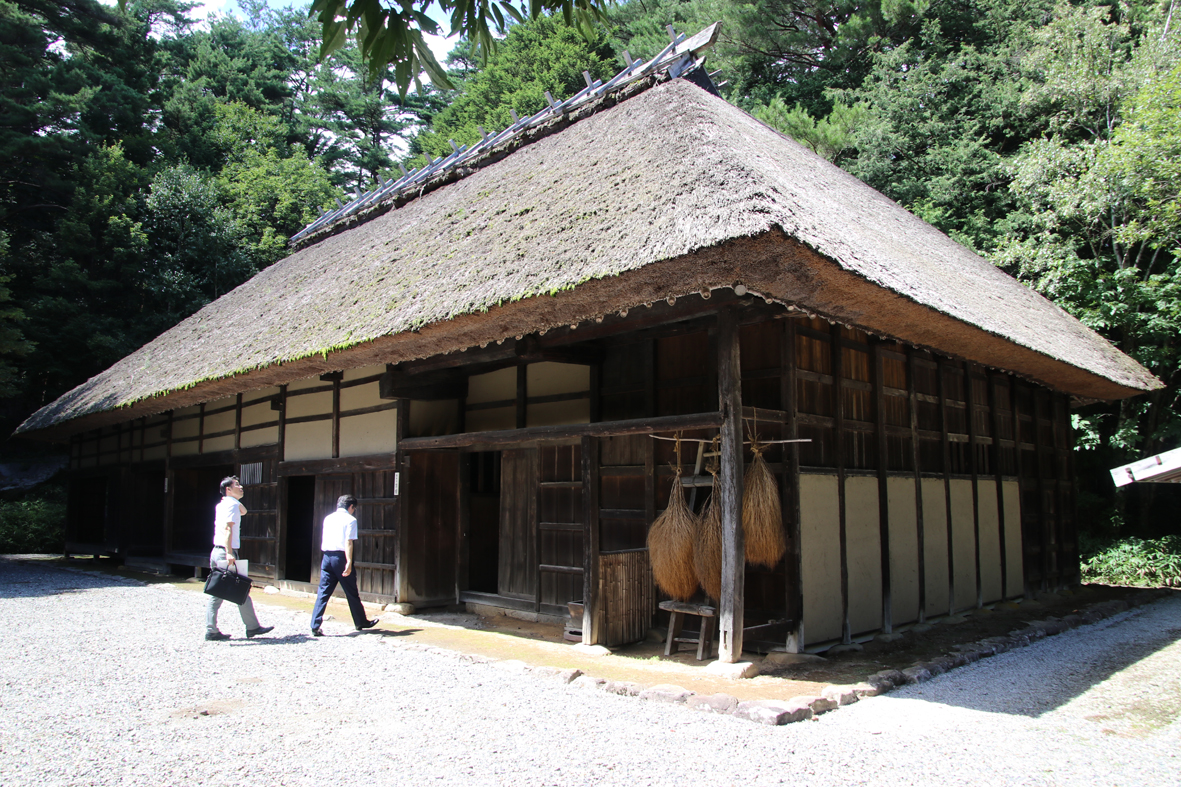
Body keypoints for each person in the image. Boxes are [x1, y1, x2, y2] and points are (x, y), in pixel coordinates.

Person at [205, 476, 273, 641]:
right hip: (226, 551)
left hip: (217, 550)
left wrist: (233, 500)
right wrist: (229, 553)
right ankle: (252, 627)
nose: (241, 487)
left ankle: (213, 629)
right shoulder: (231, 505)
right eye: (237, 485)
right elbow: (228, 529)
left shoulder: (224, 504)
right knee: (239, 588)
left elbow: (244, 511)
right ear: (228, 489)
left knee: (220, 590)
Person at [310, 494, 379, 636]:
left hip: (327, 556)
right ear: (351, 507)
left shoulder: (328, 518)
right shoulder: (350, 520)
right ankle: (360, 621)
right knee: (351, 592)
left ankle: (314, 625)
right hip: (340, 557)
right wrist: (348, 562)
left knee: (323, 592)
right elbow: (348, 542)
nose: (354, 511)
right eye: (354, 508)